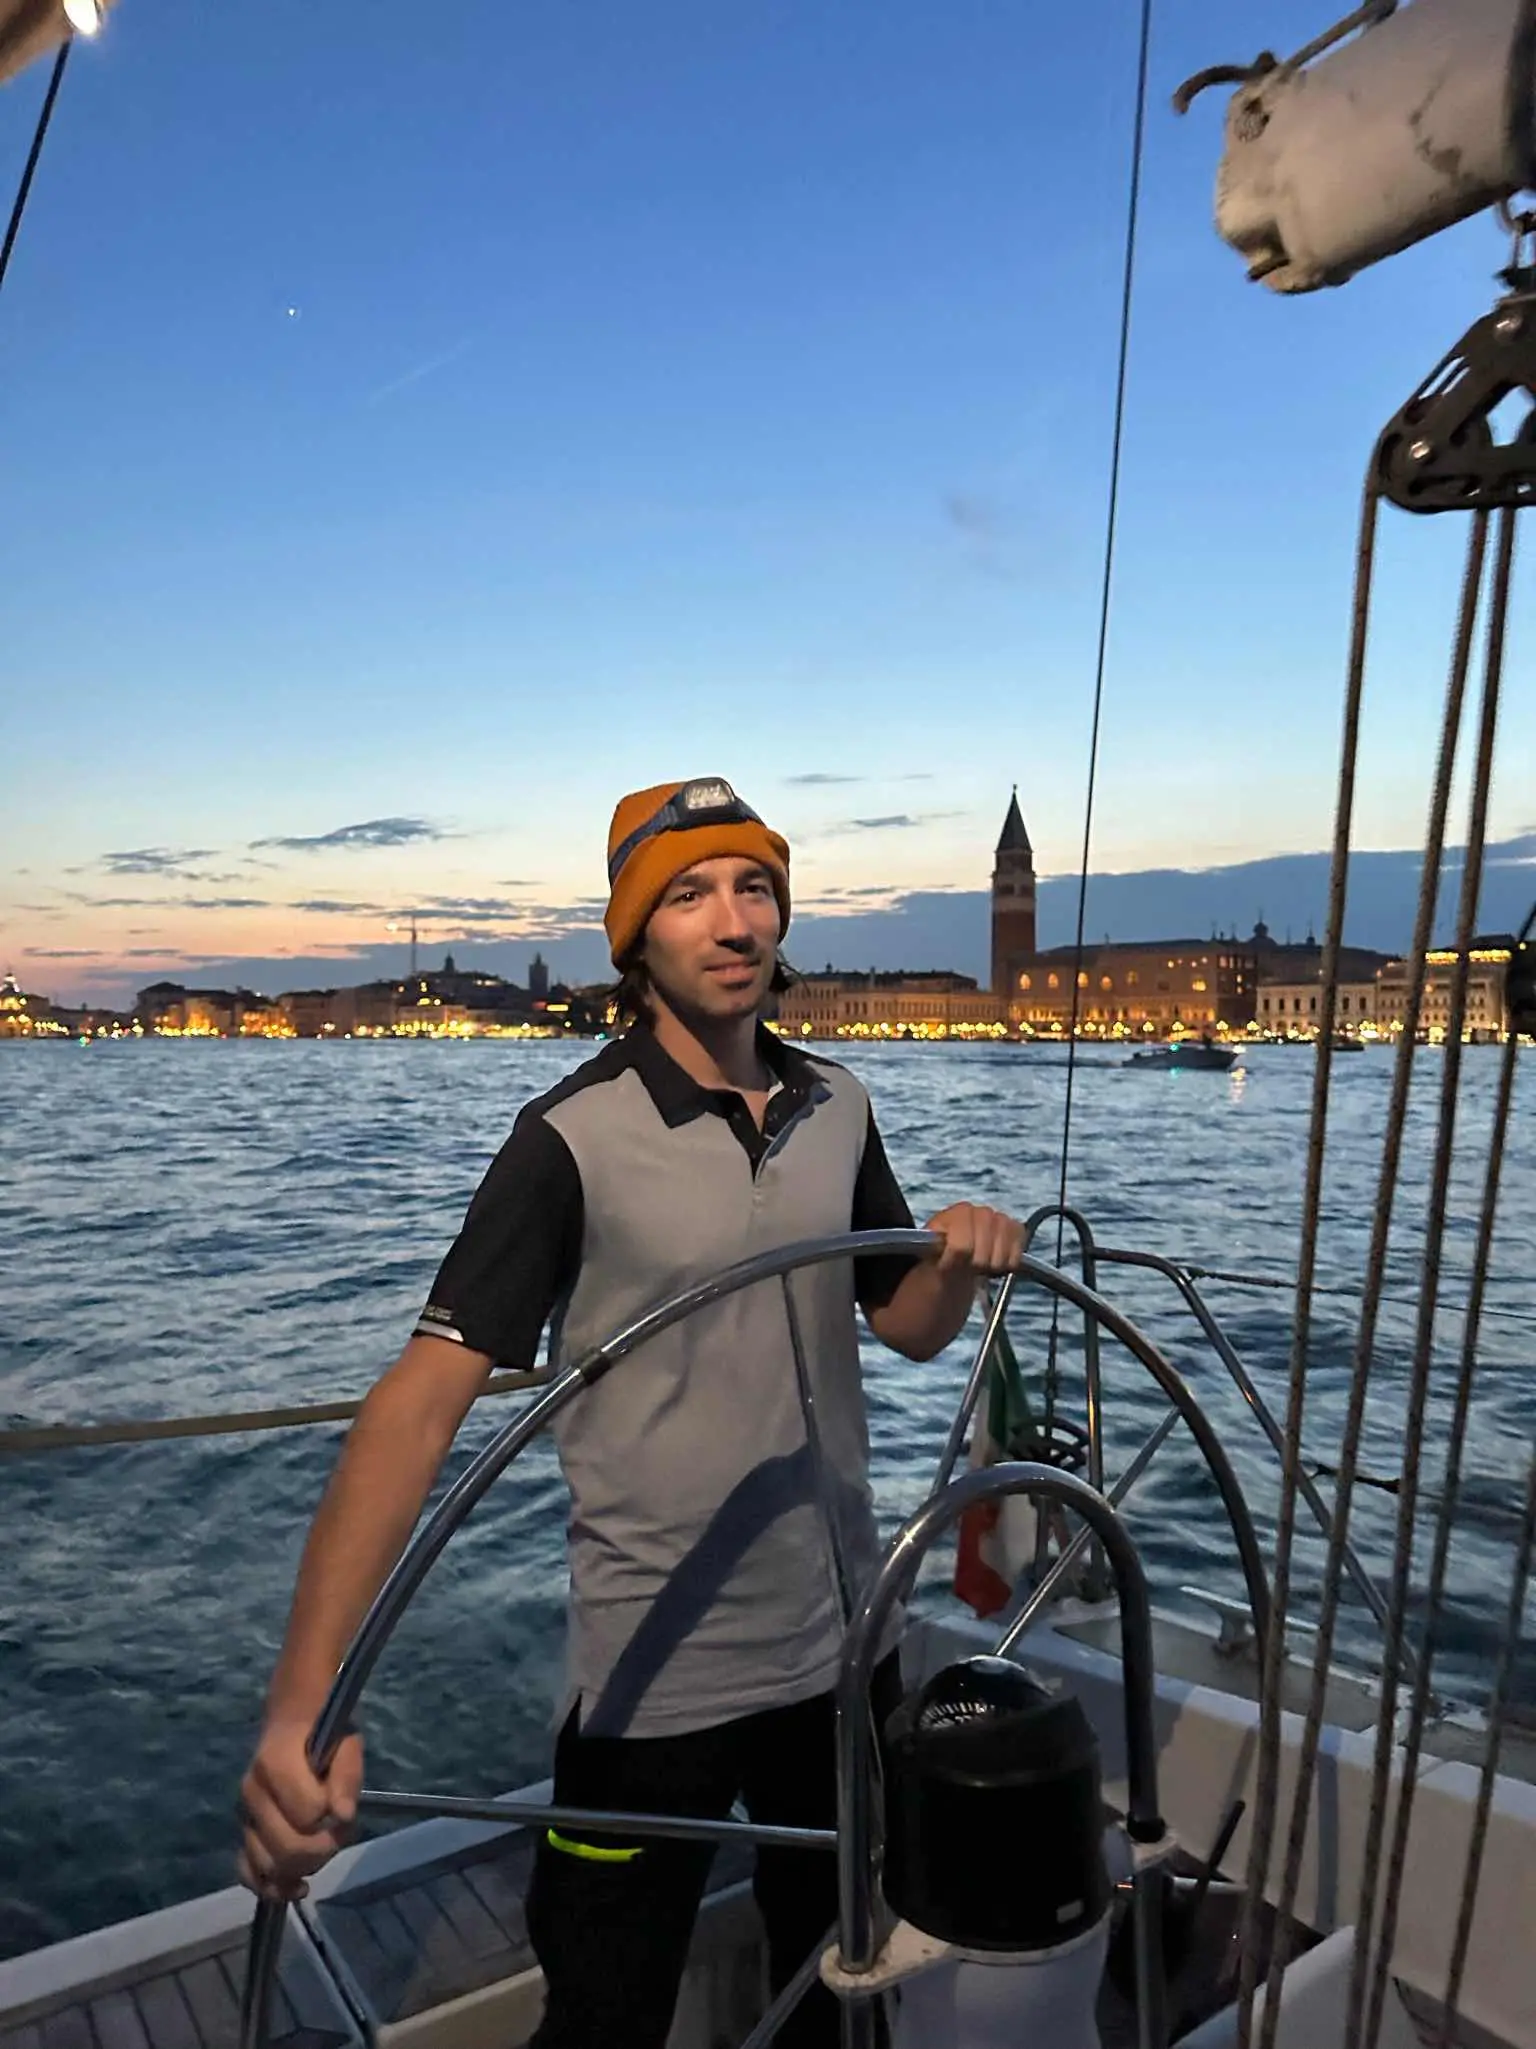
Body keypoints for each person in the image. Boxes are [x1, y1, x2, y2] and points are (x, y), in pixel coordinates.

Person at [238, 775, 1025, 2049]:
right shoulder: (568, 1138)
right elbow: (418, 1407)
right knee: (605, 2014)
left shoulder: (841, 1106)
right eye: (690, 894)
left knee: (837, 1997)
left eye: (755, 887)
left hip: (847, 1654)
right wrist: (300, 1704)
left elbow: (906, 1326)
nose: (734, 921)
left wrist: (954, 1259)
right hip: (652, 1686)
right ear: (635, 939)